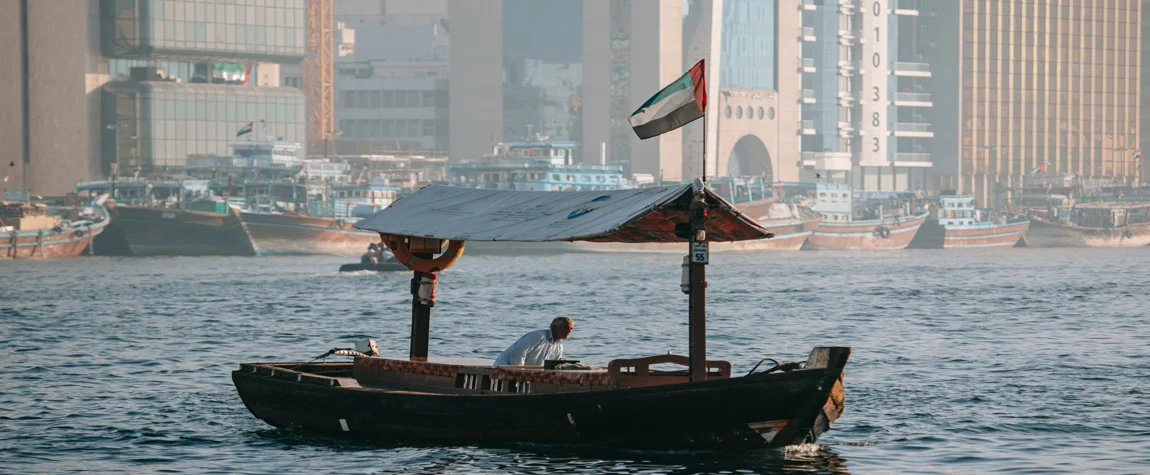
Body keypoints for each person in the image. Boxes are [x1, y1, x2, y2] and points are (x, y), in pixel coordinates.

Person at [492, 317, 574, 367]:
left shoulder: (559, 346)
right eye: (566, 327)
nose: (569, 331)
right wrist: (520, 372)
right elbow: (518, 352)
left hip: (525, 373)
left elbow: (554, 365)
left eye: (571, 329)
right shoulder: (538, 336)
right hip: (504, 367)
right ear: (554, 327)